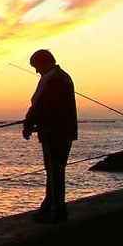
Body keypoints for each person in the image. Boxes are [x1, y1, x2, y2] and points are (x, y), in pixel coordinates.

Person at [22, 49, 78, 223]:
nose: (36, 71)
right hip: (63, 131)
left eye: (36, 66)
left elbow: (42, 106)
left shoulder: (54, 79)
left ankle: (57, 211)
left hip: (55, 133)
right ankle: (49, 206)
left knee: (55, 171)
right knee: (54, 170)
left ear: (44, 62)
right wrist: (31, 122)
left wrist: (29, 123)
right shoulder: (62, 77)